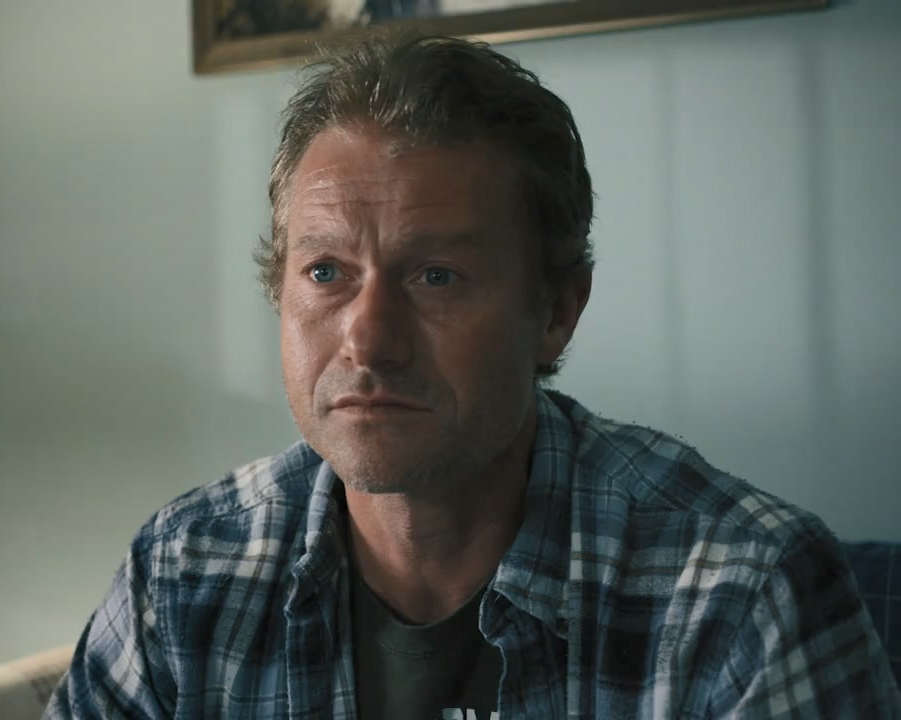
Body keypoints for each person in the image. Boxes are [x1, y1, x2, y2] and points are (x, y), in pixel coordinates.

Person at [44, 33, 900, 719]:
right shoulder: (187, 571)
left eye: (436, 277)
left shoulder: (743, 595)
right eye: (326, 273)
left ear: (556, 310)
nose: (368, 341)